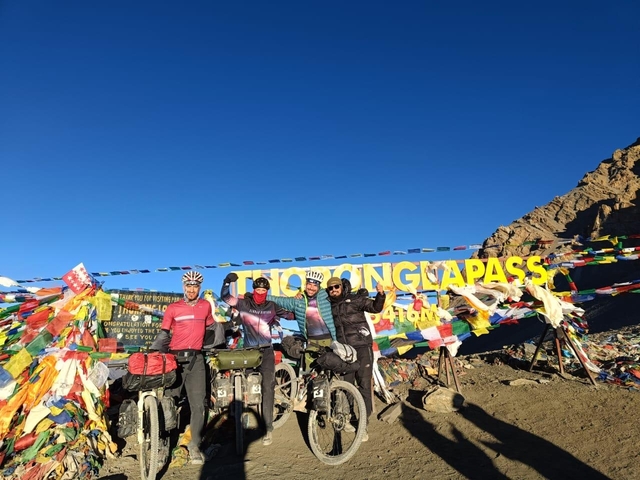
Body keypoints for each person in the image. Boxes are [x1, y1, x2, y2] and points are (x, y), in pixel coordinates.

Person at [220, 273, 292, 446]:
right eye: (258, 289)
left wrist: (299, 301)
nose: (260, 292)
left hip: (266, 351)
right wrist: (227, 282)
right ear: (254, 290)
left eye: (263, 290)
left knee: (268, 386)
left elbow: (291, 315)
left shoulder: (272, 306)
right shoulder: (244, 304)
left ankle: (267, 428)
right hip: (249, 352)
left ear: (267, 291)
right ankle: (243, 424)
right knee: (245, 386)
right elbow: (225, 297)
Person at [150, 271, 213, 465]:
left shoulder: (205, 306)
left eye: (195, 286)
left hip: (197, 360)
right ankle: (162, 446)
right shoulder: (173, 308)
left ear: (199, 288)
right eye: (188, 286)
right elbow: (163, 334)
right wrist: (153, 351)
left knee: (198, 405)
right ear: (183, 287)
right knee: (168, 403)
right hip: (175, 360)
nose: (191, 289)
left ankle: (194, 446)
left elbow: (210, 328)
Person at [326, 276, 385, 442]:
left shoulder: (356, 299)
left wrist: (380, 294)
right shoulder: (328, 305)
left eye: (336, 287)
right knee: (347, 386)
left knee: (364, 385)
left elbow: (375, 307)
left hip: (362, 347)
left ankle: (363, 424)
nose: (334, 290)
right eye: (330, 289)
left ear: (342, 287)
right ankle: (349, 418)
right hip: (345, 352)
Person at [266, 270, 337, 368]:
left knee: (332, 370)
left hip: (330, 340)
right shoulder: (298, 301)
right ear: (305, 284)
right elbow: (279, 300)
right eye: (309, 284)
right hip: (311, 342)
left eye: (315, 285)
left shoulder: (327, 296)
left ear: (319, 286)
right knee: (310, 371)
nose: (311, 288)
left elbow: (341, 293)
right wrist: (258, 296)